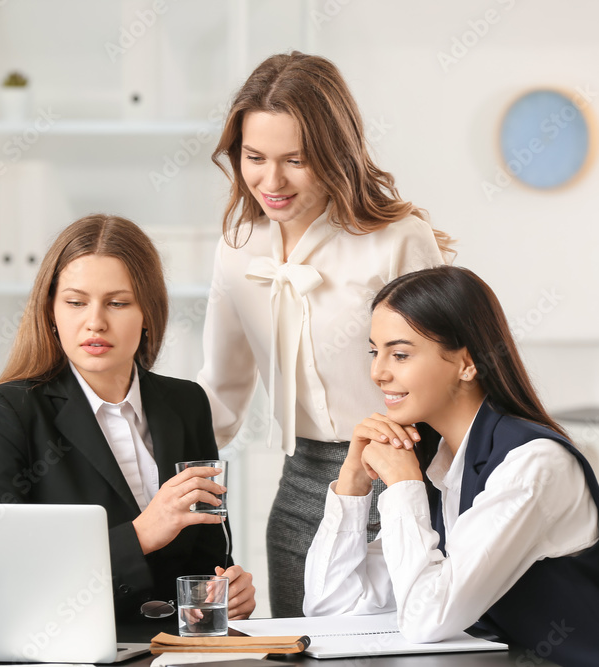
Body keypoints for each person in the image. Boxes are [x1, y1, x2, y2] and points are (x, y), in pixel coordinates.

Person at [302, 266, 599, 666]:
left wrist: (403, 486)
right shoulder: (442, 463)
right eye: (375, 352)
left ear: (467, 363)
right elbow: (330, 606)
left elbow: (426, 618)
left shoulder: (533, 465)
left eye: (401, 354)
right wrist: (352, 485)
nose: (378, 373)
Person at [197, 51, 453, 617]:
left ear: (335, 154)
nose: (271, 180)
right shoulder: (238, 251)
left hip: (404, 470)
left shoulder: (397, 239)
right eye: (254, 157)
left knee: (407, 650)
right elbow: (221, 391)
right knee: (299, 648)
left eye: (296, 160)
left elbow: (449, 375)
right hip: (301, 483)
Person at [0, 214, 256, 622]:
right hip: (66, 645)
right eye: (75, 302)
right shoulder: (9, 411)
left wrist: (223, 592)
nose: (95, 322)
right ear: (51, 312)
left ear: (148, 314)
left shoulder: (186, 402)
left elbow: (209, 554)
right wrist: (139, 536)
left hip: (174, 649)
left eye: (118, 303)